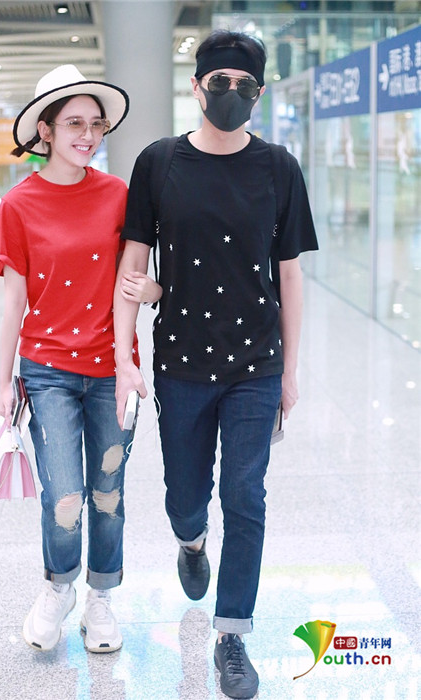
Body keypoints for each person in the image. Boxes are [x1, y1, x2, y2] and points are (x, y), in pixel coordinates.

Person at [113, 30, 318, 699]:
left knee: (246, 496)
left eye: (244, 84)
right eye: (219, 81)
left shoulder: (279, 167)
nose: (231, 93)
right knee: (184, 495)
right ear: (198, 86)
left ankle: (232, 634)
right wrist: (124, 356)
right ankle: (191, 541)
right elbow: (132, 264)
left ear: (258, 93)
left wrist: (290, 372)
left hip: (256, 363)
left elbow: (289, 276)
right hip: (181, 361)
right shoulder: (159, 162)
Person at [0, 64, 161, 654]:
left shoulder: (118, 195)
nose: (88, 135)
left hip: (114, 369)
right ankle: (58, 587)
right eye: (73, 124)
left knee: (107, 494)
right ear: (45, 130)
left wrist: (150, 304)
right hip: (47, 371)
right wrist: (2, 385)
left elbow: (136, 279)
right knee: (64, 494)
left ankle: (101, 598)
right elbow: (14, 300)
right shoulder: (18, 205)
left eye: (95, 124)